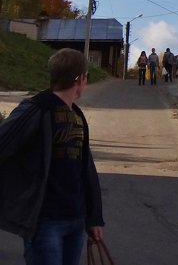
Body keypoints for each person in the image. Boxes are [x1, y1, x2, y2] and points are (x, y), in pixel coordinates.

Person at [0, 48, 104, 264]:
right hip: (45, 221)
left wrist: (93, 218)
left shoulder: (76, 114)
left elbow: (85, 168)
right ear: (80, 79)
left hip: (76, 218)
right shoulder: (37, 109)